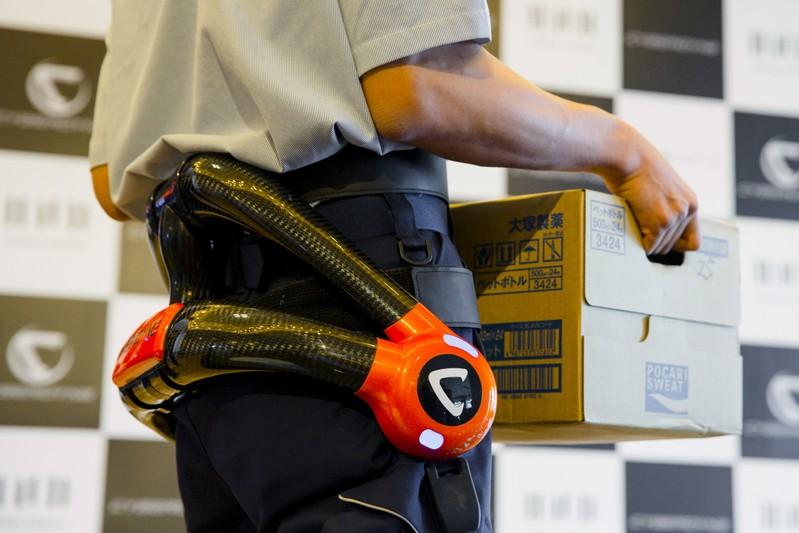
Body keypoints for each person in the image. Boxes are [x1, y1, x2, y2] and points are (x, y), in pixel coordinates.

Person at [89, 2, 699, 532]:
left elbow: (107, 184)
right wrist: (628, 152)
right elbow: (418, 88)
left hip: (213, 340)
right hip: (360, 301)